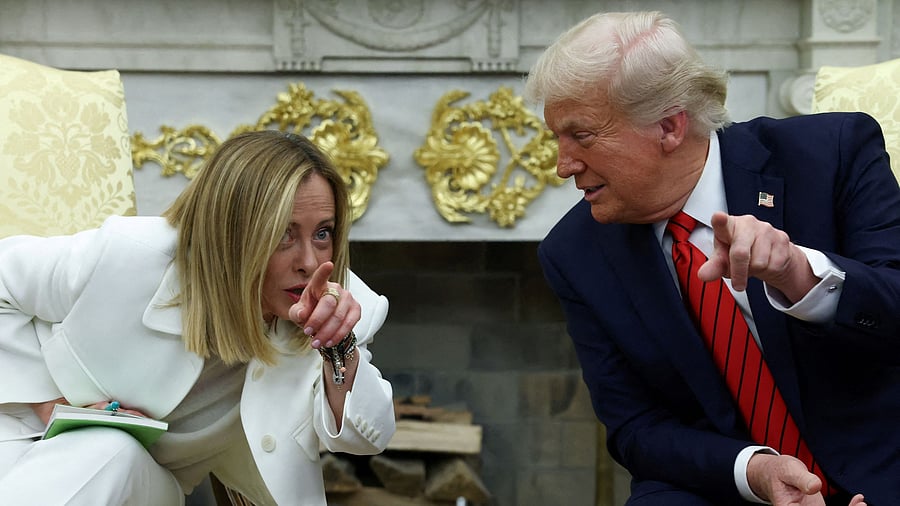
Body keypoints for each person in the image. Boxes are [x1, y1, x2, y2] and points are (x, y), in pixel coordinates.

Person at [524, 10, 899, 506]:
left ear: (669, 126)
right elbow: (637, 427)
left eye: (583, 136)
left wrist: (797, 273)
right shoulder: (574, 252)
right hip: (723, 482)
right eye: (557, 138)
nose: (562, 165)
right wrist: (755, 470)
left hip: (879, 464)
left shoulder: (832, 154)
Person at [0, 130, 396, 505]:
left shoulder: (337, 306)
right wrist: (47, 403)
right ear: (231, 231)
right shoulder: (132, 255)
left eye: (322, 233)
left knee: (110, 449)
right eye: (283, 234)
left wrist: (337, 349)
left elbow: (364, 438)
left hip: (142, 481)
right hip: (16, 442)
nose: (310, 262)